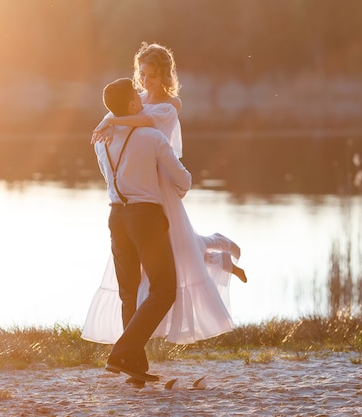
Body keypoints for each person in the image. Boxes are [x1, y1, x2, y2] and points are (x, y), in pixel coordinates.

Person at [82, 42, 246, 346]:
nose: (146, 81)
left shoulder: (170, 105)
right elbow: (118, 114)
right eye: (142, 74)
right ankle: (220, 257)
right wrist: (106, 121)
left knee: (181, 251)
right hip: (141, 186)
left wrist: (113, 120)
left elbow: (145, 123)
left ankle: (220, 248)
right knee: (173, 254)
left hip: (161, 186)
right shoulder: (136, 101)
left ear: (165, 77)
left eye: (153, 76)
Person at [94, 77, 192, 383]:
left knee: (129, 293)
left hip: (116, 217)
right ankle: (123, 351)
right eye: (137, 94)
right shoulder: (152, 136)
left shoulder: (102, 140)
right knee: (164, 289)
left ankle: (134, 366)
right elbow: (183, 180)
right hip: (145, 218)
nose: (142, 95)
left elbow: (110, 177)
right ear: (133, 105)